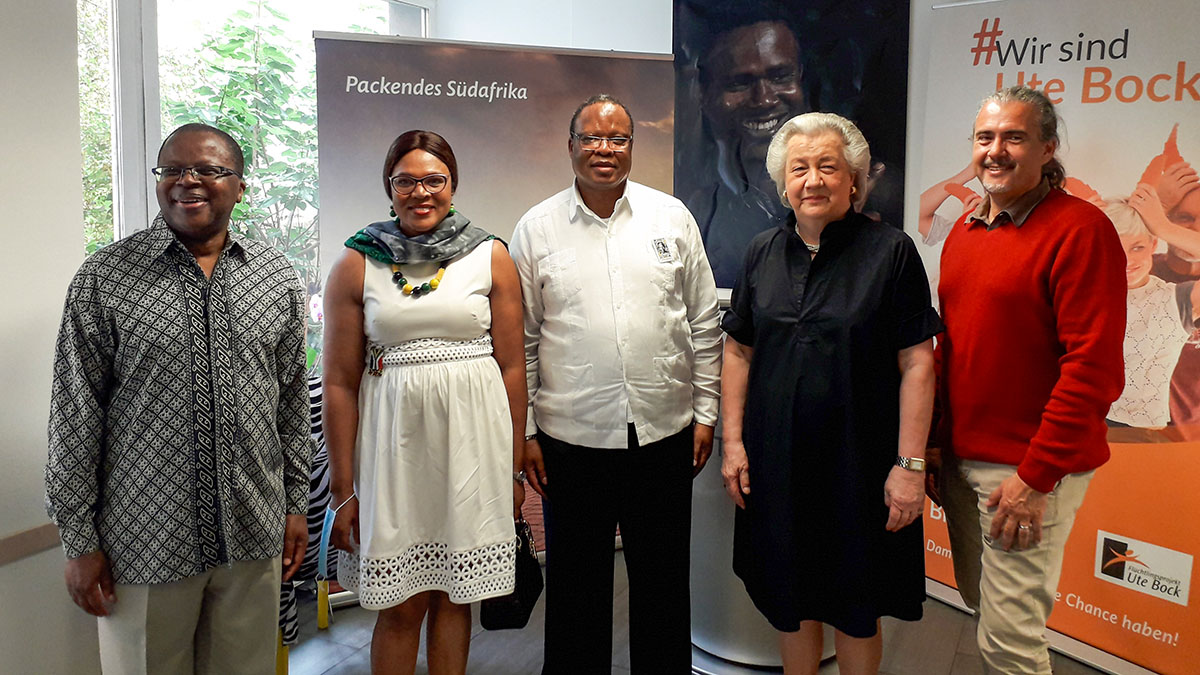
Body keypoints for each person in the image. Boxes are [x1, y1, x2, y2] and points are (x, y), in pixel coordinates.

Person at [45, 123, 313, 674]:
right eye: (172, 170)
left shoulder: (275, 277)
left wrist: (293, 505)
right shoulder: (106, 277)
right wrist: (78, 538)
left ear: (240, 186)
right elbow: (74, 418)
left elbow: (288, 409)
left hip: (251, 534)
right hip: (143, 542)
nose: (187, 181)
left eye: (209, 170)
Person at [720, 112, 941, 673]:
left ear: (854, 180)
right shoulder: (761, 252)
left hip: (860, 467)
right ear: (783, 183)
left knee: (855, 605)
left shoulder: (891, 253)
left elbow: (918, 362)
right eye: (800, 169)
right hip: (777, 466)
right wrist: (733, 444)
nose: (813, 180)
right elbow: (738, 351)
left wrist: (909, 466)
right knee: (790, 603)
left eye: (828, 167)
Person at [510, 94, 722, 674]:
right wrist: (525, 432)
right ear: (571, 145)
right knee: (576, 589)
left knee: (662, 584)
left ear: (633, 145)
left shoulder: (671, 218)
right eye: (593, 138)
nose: (605, 149)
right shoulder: (536, 229)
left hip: (665, 433)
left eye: (618, 138)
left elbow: (703, 323)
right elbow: (524, 341)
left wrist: (706, 414)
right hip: (569, 440)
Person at [934, 86, 1126, 674]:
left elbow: (1093, 369)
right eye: (985, 138)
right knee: (981, 604)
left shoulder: (1082, 230)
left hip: (1025, 471)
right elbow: (951, 351)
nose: (996, 151)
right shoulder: (964, 231)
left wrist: (1034, 479)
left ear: (1047, 148)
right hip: (963, 461)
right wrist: (935, 443)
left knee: (1009, 644)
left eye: (1014, 137)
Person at [322, 130, 526, 674]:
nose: (420, 192)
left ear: (452, 186)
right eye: (405, 181)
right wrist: (344, 490)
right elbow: (340, 382)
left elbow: (512, 367)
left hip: (473, 451)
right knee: (401, 603)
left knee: (457, 598)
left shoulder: (490, 255)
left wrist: (513, 470)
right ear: (389, 189)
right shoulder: (357, 260)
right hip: (394, 455)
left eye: (433, 180)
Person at [678, 7, 905, 287]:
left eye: (779, 77)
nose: (764, 100)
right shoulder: (693, 209)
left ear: (803, 80)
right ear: (705, 94)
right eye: (739, 82)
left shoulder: (880, 191)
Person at [1104, 190, 1199, 432]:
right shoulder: (1076, 293)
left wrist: (1163, 227)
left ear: (1153, 244)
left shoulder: (1174, 301)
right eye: (1115, 247)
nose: (1127, 260)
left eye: (1137, 247)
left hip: (1138, 435)